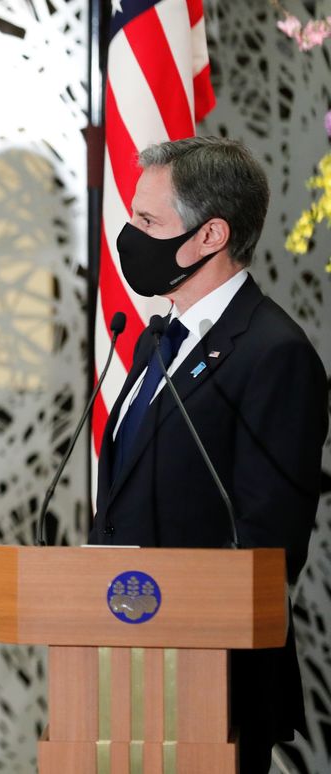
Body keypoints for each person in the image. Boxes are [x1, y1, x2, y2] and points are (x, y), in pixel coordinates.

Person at [90, 136, 327, 773]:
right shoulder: (154, 340)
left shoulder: (272, 352)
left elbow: (268, 544)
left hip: (206, 684)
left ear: (209, 236)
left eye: (147, 221)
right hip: (117, 663)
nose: (129, 235)